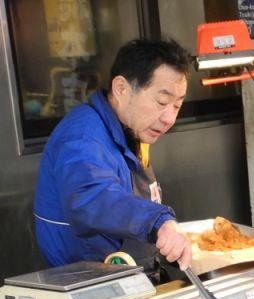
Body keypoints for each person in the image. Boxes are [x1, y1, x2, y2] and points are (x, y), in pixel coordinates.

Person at [34, 39, 192, 270]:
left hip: (130, 275)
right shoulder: (83, 136)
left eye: (177, 106)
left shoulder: (132, 129)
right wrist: (158, 221)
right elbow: (93, 197)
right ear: (121, 88)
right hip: (91, 283)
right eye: (161, 101)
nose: (169, 118)